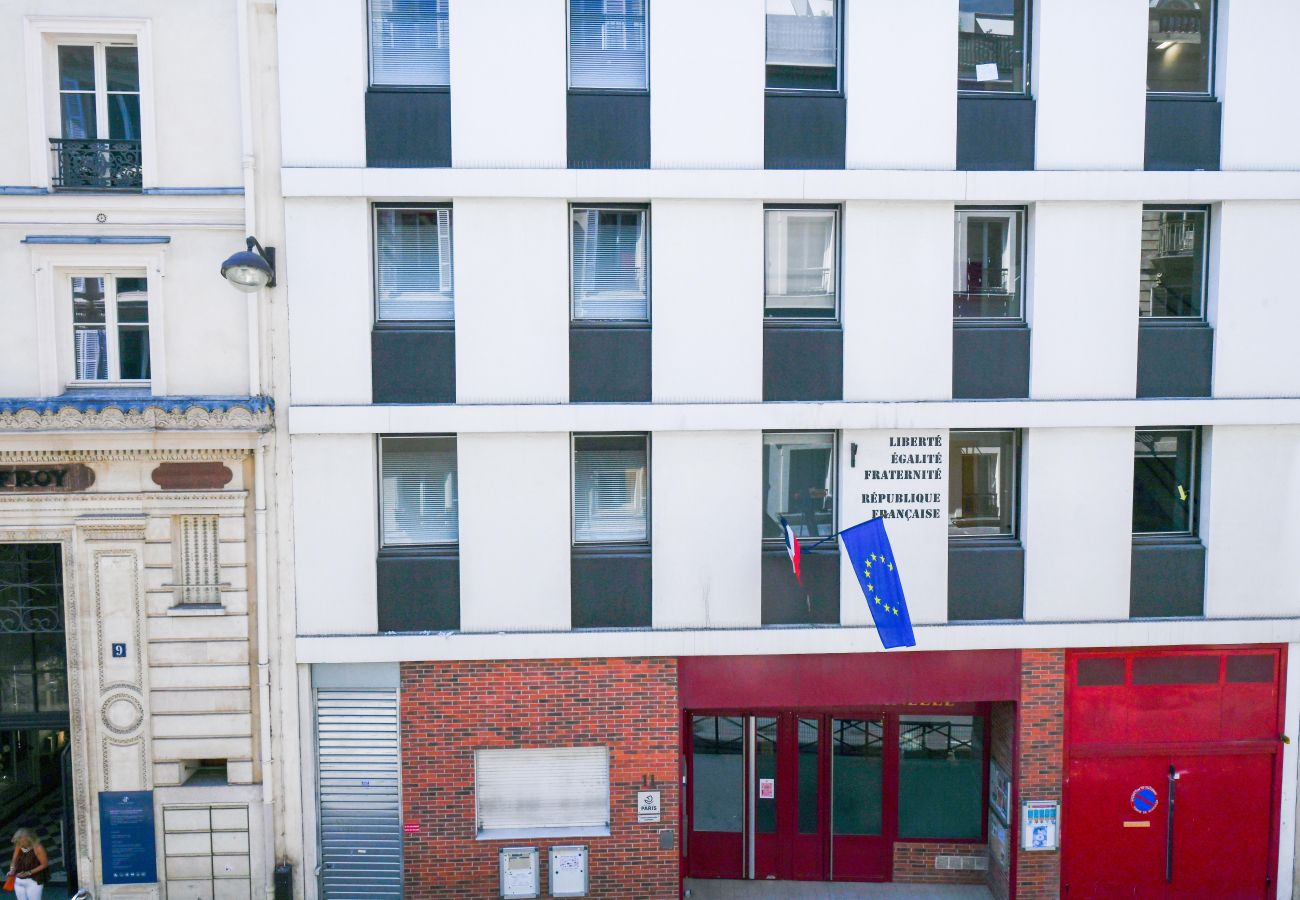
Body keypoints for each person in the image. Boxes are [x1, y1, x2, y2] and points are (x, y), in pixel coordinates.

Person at [6, 828, 49, 900]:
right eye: (18, 842)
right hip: (19, 881)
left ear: (29, 839)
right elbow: (14, 860)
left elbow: (44, 864)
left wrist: (28, 873)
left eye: (21, 842)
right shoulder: (18, 846)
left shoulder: (38, 848)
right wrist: (12, 870)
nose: (19, 844)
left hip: (34, 881)